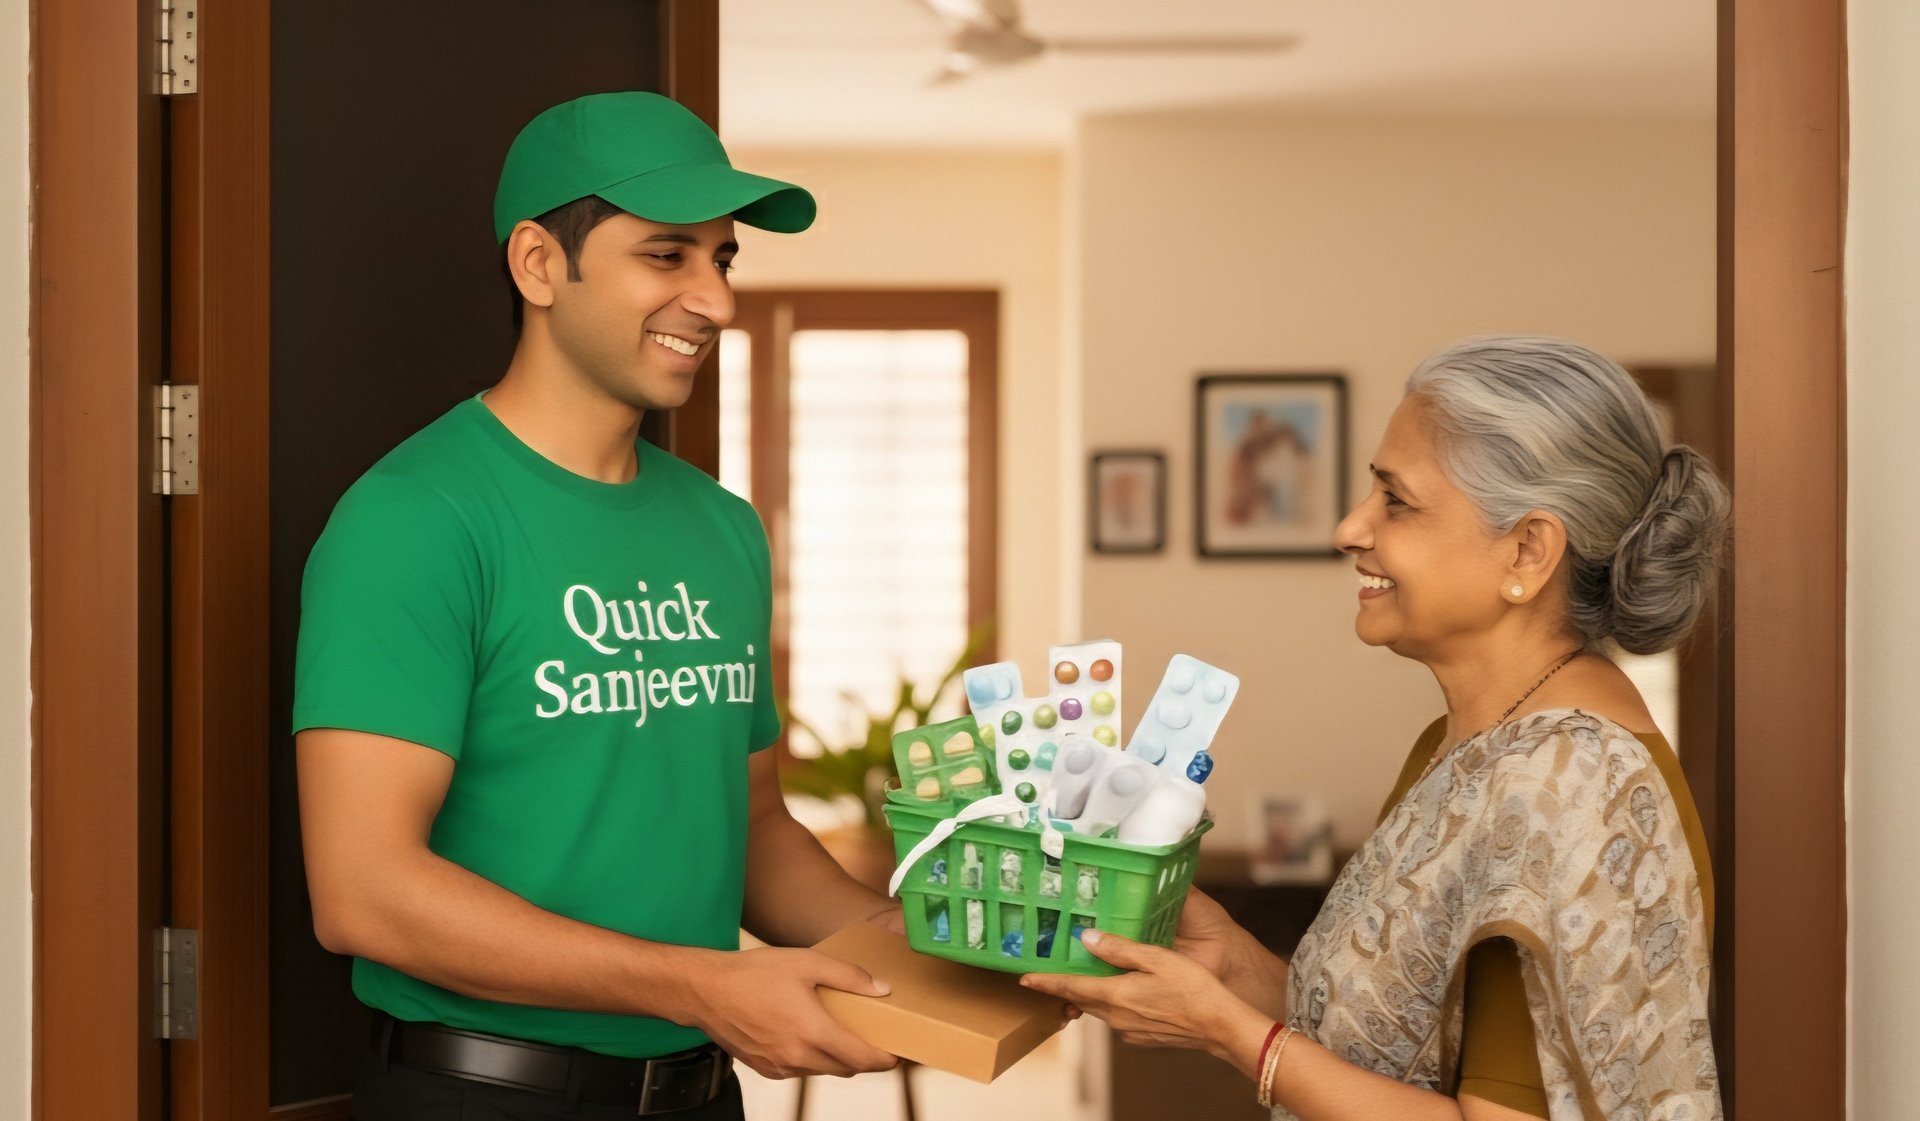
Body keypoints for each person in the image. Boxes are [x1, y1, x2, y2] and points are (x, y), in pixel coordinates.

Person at [293, 92, 902, 1121]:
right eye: (667, 257)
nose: (714, 300)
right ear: (539, 264)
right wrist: (702, 983)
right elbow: (363, 890)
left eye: (724, 259)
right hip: (482, 1097)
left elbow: (752, 826)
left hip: (699, 1097)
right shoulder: (414, 519)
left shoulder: (723, 529)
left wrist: (911, 942)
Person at [1024, 337, 1727, 1121]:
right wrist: (1236, 969)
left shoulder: (1571, 779)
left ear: (1527, 549)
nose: (1349, 529)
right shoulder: (1468, 740)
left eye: (1396, 500)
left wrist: (1234, 1036)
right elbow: (1398, 1041)